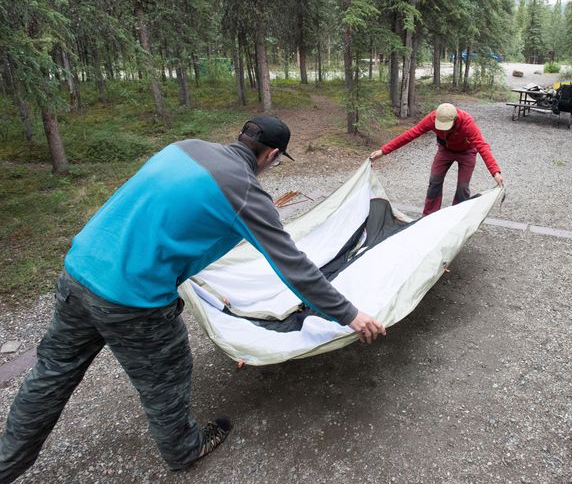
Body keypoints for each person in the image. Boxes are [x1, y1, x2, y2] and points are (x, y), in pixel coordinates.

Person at [0, 116, 386, 482]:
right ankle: (184, 449)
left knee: (52, 373)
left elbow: (165, 214)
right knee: (165, 377)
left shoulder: (184, 148)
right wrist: (349, 314)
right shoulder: (245, 192)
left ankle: (7, 462)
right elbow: (294, 267)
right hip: (132, 301)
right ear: (271, 155)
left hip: (79, 271)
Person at [370, 103, 504, 215]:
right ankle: (429, 215)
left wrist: (495, 172)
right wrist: (384, 151)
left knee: (463, 187)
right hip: (445, 150)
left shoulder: (466, 122)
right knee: (434, 181)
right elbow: (411, 134)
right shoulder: (432, 118)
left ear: (455, 119)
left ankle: (458, 215)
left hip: (467, 152)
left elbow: (482, 146)